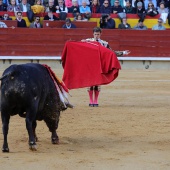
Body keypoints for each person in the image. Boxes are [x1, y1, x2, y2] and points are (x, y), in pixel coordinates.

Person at [81, 27, 130, 107]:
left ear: (100, 34)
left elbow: (112, 53)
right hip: (90, 65)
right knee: (90, 83)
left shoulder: (104, 43)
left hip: (100, 65)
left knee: (97, 83)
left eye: (98, 34)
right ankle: (91, 100)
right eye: (95, 34)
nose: (96, 36)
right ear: (93, 34)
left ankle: (95, 101)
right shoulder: (88, 41)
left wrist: (123, 53)